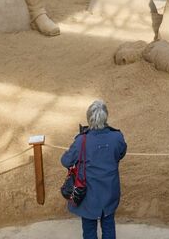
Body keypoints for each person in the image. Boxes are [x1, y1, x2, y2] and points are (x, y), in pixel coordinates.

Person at [61, 100, 127, 239]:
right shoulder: (117, 137)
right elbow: (121, 153)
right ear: (105, 117)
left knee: (89, 229)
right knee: (109, 225)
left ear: (89, 118)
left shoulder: (81, 140)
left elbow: (65, 161)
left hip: (88, 194)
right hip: (110, 190)